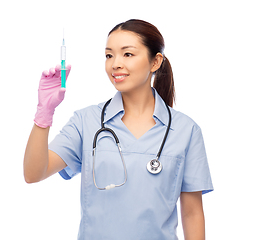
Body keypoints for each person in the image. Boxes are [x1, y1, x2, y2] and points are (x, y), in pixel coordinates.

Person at [24, 19, 213, 240]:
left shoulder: (186, 130)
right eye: (109, 55)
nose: (115, 64)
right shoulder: (86, 121)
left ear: (155, 62)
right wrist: (43, 114)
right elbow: (33, 173)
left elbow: (192, 214)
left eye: (128, 54)